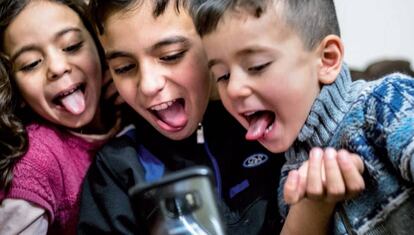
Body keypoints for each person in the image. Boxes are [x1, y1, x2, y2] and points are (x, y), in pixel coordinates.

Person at [78, 0, 364, 235]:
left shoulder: (277, 122)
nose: (149, 84)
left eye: (171, 55)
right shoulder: (117, 171)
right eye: (124, 67)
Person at [192, 0, 414, 234]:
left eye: (257, 66)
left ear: (327, 59)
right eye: (223, 76)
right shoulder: (290, 172)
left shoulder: (386, 102)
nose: (234, 89)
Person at [0, 0, 120, 234]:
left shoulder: (131, 109)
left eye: (72, 46)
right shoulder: (36, 162)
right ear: (16, 90)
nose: (57, 67)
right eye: (31, 63)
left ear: (98, 45)